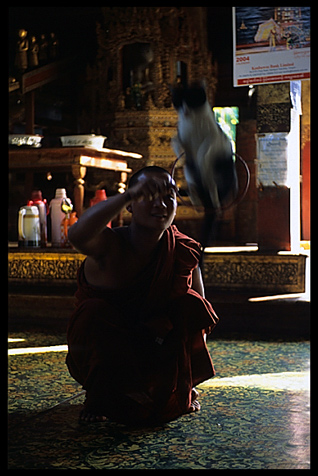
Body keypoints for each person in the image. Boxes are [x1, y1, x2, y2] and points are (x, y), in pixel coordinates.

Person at [66, 166, 219, 426]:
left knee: (189, 303)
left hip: (155, 348)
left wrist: (183, 377)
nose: (160, 204)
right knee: (92, 312)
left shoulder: (181, 251)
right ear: (129, 206)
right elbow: (77, 234)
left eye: (168, 196)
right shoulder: (109, 246)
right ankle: (99, 395)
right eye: (148, 196)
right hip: (107, 356)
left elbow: (197, 319)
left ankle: (177, 387)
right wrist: (128, 195)